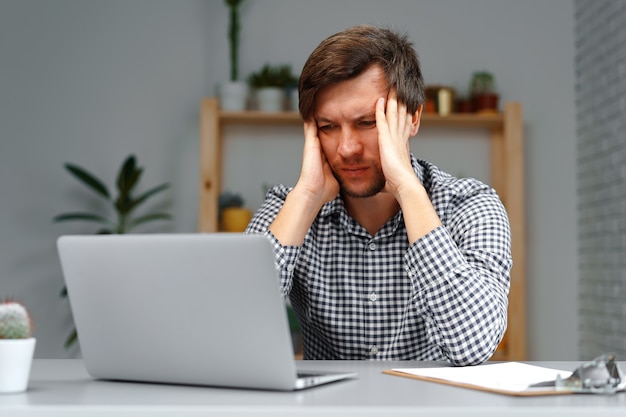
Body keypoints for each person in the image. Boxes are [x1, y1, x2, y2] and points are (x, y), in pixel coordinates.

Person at [246, 25, 511, 366]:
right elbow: (228, 338)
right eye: (328, 127)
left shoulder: (471, 206)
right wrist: (307, 196)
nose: (347, 148)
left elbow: (473, 346)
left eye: (368, 122)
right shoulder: (289, 209)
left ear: (413, 118)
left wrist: (407, 189)